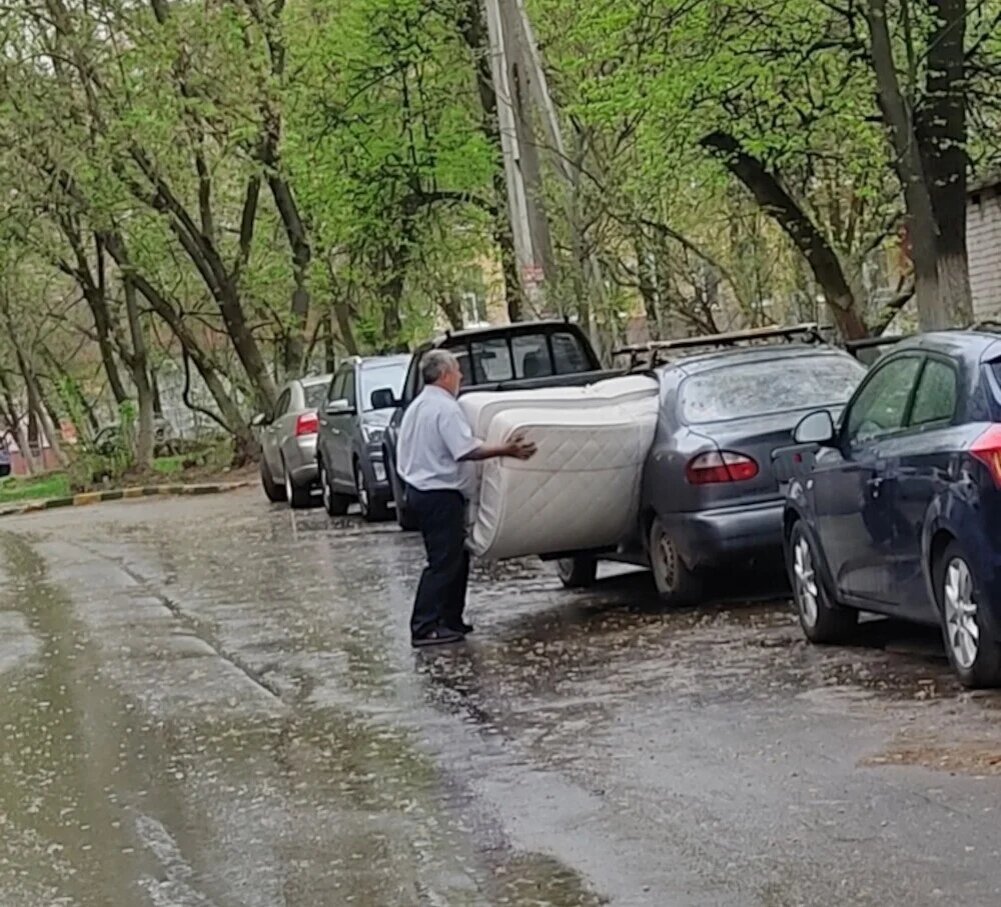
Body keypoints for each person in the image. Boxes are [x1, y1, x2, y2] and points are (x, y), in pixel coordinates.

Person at [397, 349, 536, 647]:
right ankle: (424, 626)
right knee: (443, 561)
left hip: (421, 490)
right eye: (458, 370)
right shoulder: (444, 409)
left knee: (456, 558)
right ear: (445, 374)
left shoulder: (418, 406)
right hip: (438, 494)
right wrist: (504, 449)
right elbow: (465, 449)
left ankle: (450, 619)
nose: (461, 376)